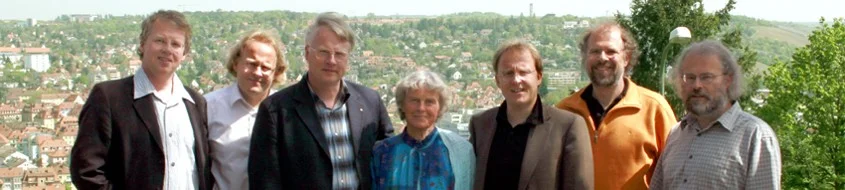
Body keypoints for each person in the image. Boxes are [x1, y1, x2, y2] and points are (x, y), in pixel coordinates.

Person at [248, 12, 394, 190]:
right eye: (323, 52)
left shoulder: (370, 102)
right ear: (307, 53)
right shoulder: (275, 110)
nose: (331, 61)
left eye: (339, 54)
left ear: (348, 58)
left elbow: (390, 162)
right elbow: (265, 182)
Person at [70, 10, 213, 190]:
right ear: (143, 44)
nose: (167, 49)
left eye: (175, 44)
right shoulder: (108, 97)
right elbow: (86, 170)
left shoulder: (196, 103)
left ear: (184, 54)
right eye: (160, 40)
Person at [554, 22, 677, 190]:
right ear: (585, 57)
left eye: (611, 51)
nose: (602, 58)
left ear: (626, 58)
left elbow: (676, 173)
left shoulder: (654, 109)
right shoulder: (564, 111)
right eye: (595, 51)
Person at [650, 40, 781, 189]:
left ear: (728, 80)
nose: (697, 85)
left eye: (706, 77)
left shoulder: (755, 136)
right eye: (690, 77)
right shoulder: (676, 134)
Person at [470, 40, 594, 190]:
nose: (516, 80)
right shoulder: (480, 124)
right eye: (508, 73)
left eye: (524, 72)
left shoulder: (567, 126)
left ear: (539, 77)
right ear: (498, 80)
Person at [204, 30, 287, 190]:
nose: (258, 72)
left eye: (265, 67)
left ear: (276, 72)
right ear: (236, 64)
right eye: (251, 64)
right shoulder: (209, 107)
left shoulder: (287, 111)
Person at [371, 70, 475, 190]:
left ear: (440, 107)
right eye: (414, 100)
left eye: (429, 102)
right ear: (402, 105)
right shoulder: (382, 152)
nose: (421, 108)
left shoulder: (461, 150)